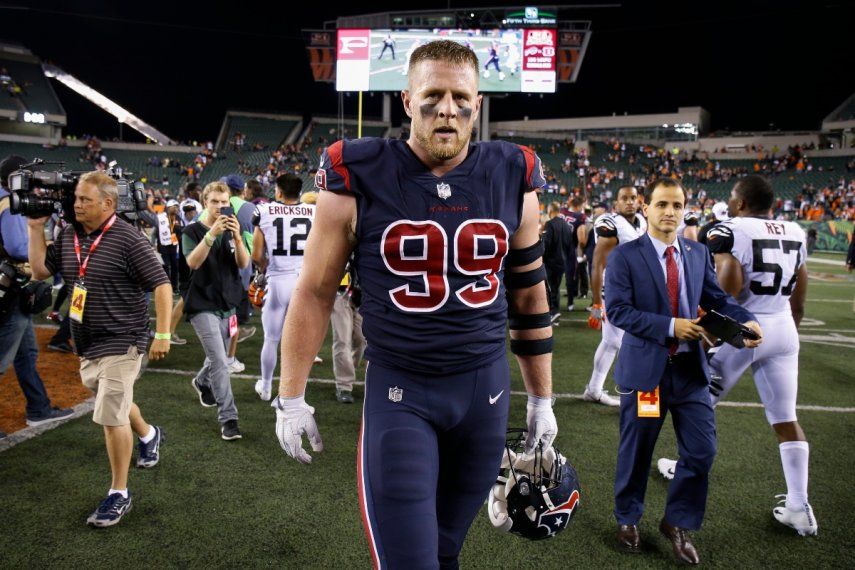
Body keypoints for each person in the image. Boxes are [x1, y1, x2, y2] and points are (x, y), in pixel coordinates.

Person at [273, 40, 556, 568]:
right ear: (407, 100)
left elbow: (528, 292)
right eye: (432, 96)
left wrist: (542, 398)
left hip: (485, 394)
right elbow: (315, 291)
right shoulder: (358, 172)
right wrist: (290, 394)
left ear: (477, 104)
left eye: (461, 98)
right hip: (401, 390)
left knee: (446, 551)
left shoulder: (513, 172)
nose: (447, 109)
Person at [606, 178, 762, 564]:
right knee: (637, 450)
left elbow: (717, 298)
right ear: (647, 209)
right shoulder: (625, 256)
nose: (669, 212)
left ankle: (676, 522)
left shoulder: (696, 252)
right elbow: (619, 311)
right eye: (662, 204)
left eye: (677, 205)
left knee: (702, 450)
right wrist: (670, 326)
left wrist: (746, 320)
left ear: (685, 209)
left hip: (691, 372)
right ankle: (628, 518)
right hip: (647, 374)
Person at [658, 175, 818, 536]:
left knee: (698, 401)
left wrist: (708, 340)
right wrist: (787, 332)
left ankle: (685, 465)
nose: (729, 202)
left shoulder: (731, 230)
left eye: (732, 197)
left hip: (744, 329)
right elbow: (799, 298)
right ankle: (799, 505)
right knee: (785, 416)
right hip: (783, 328)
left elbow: (726, 292)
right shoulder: (795, 231)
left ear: (741, 202)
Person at [27, 170, 171, 527]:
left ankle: (119, 493)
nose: (76, 204)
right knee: (113, 399)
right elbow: (40, 270)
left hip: (123, 338)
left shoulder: (128, 238)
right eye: (76, 198)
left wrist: (163, 334)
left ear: (108, 203)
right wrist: (34, 228)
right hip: (88, 341)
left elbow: (162, 284)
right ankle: (149, 433)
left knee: (110, 414)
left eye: (84, 199)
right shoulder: (69, 235)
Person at [0, 154, 73, 436]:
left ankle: (39, 408)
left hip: (7, 284)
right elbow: (18, 248)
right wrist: (47, 245)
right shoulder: (9, 203)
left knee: (26, 352)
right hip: (12, 286)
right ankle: (39, 408)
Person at [183, 181, 250, 440]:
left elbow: (243, 263)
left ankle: (202, 381)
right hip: (202, 302)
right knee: (221, 362)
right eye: (215, 202)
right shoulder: (192, 231)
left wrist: (237, 238)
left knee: (217, 356)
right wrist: (211, 234)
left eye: (224, 202)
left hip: (227, 302)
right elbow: (193, 262)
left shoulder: (233, 228)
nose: (221, 207)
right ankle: (229, 419)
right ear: (205, 203)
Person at [250, 173, 315, 401]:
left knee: (271, 338)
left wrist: (265, 267)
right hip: (305, 282)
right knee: (301, 341)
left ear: (278, 191)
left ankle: (267, 388)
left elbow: (256, 254)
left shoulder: (264, 211)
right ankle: (297, 390)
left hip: (278, 280)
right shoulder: (313, 211)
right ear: (299, 192)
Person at [584, 186, 646, 407]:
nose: (629, 202)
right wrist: (596, 304)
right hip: (614, 291)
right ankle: (633, 392)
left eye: (633, 198)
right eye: (624, 198)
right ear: (616, 203)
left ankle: (594, 389)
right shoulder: (610, 224)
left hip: (634, 291)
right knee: (621, 342)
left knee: (612, 342)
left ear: (639, 201)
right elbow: (597, 264)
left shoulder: (642, 221)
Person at [330, 261, 365, 403]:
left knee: (362, 340)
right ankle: (344, 386)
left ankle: (348, 367)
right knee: (342, 339)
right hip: (341, 292)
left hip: (364, 295)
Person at [542, 201, 571, 322]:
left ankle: (554, 311)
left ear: (550, 210)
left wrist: (542, 257)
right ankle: (555, 313)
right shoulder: (566, 225)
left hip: (551, 261)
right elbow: (569, 245)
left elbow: (546, 244)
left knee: (550, 288)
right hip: (563, 262)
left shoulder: (549, 224)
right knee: (555, 288)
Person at [560, 196, 586, 310]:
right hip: (570, 248)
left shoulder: (562, 212)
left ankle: (551, 303)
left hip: (556, 246)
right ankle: (570, 303)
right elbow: (582, 239)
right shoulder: (579, 216)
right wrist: (583, 249)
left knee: (552, 277)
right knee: (570, 277)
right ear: (578, 206)